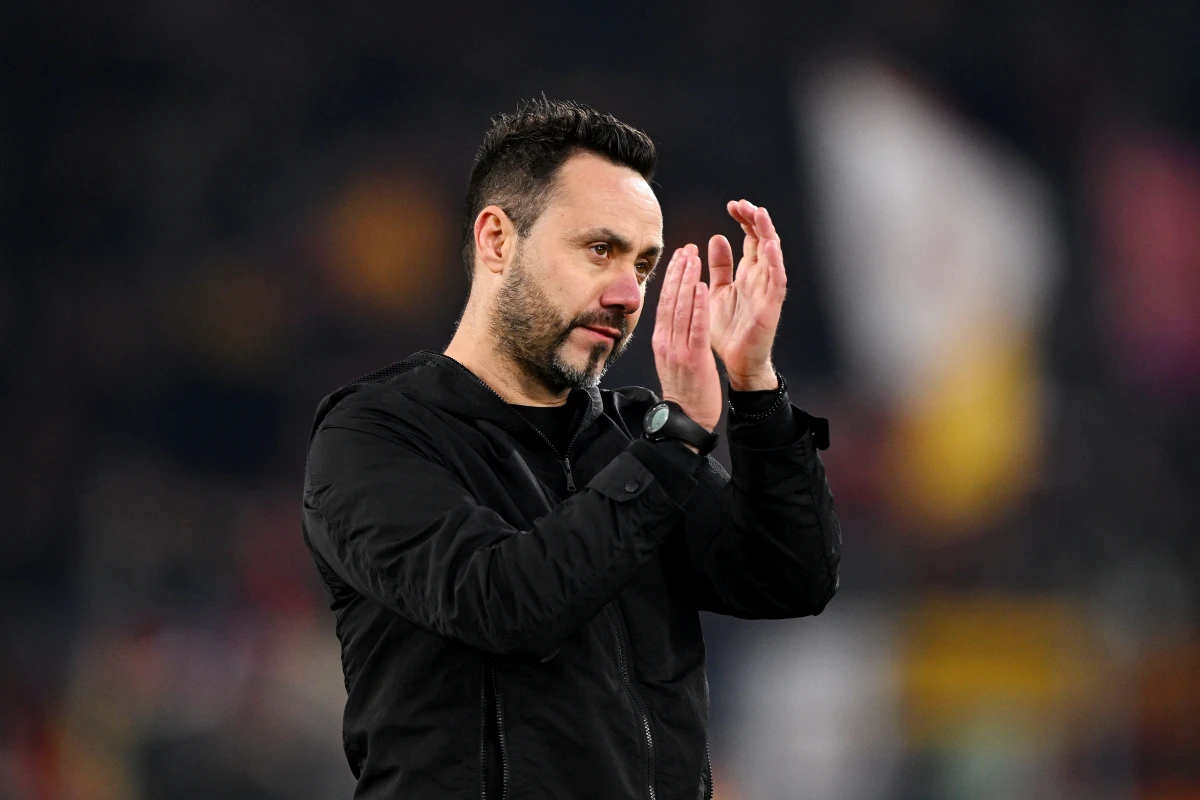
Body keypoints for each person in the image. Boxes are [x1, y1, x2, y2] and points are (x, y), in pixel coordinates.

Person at [301, 99, 840, 800]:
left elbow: (791, 577)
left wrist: (756, 390)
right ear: (497, 240)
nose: (626, 294)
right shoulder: (375, 435)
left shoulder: (631, 439)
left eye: (644, 265)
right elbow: (506, 604)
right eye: (599, 250)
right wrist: (675, 442)